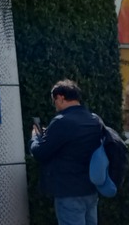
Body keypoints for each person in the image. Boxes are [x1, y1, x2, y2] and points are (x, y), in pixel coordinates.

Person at [30, 80, 102, 225]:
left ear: (61, 98)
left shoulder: (61, 121)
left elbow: (40, 152)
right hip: (91, 188)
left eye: (54, 101)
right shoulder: (94, 119)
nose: (55, 105)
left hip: (68, 190)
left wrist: (35, 138)